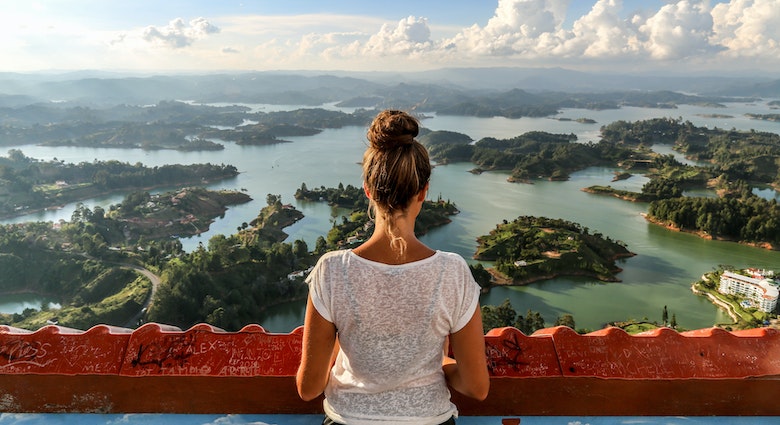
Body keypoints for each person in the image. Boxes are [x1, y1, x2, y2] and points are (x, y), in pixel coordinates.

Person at [296, 109, 489, 425]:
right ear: (423, 192)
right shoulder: (452, 273)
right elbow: (476, 387)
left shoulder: (332, 271)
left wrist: (339, 352)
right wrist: (440, 362)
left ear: (368, 191)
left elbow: (308, 388)